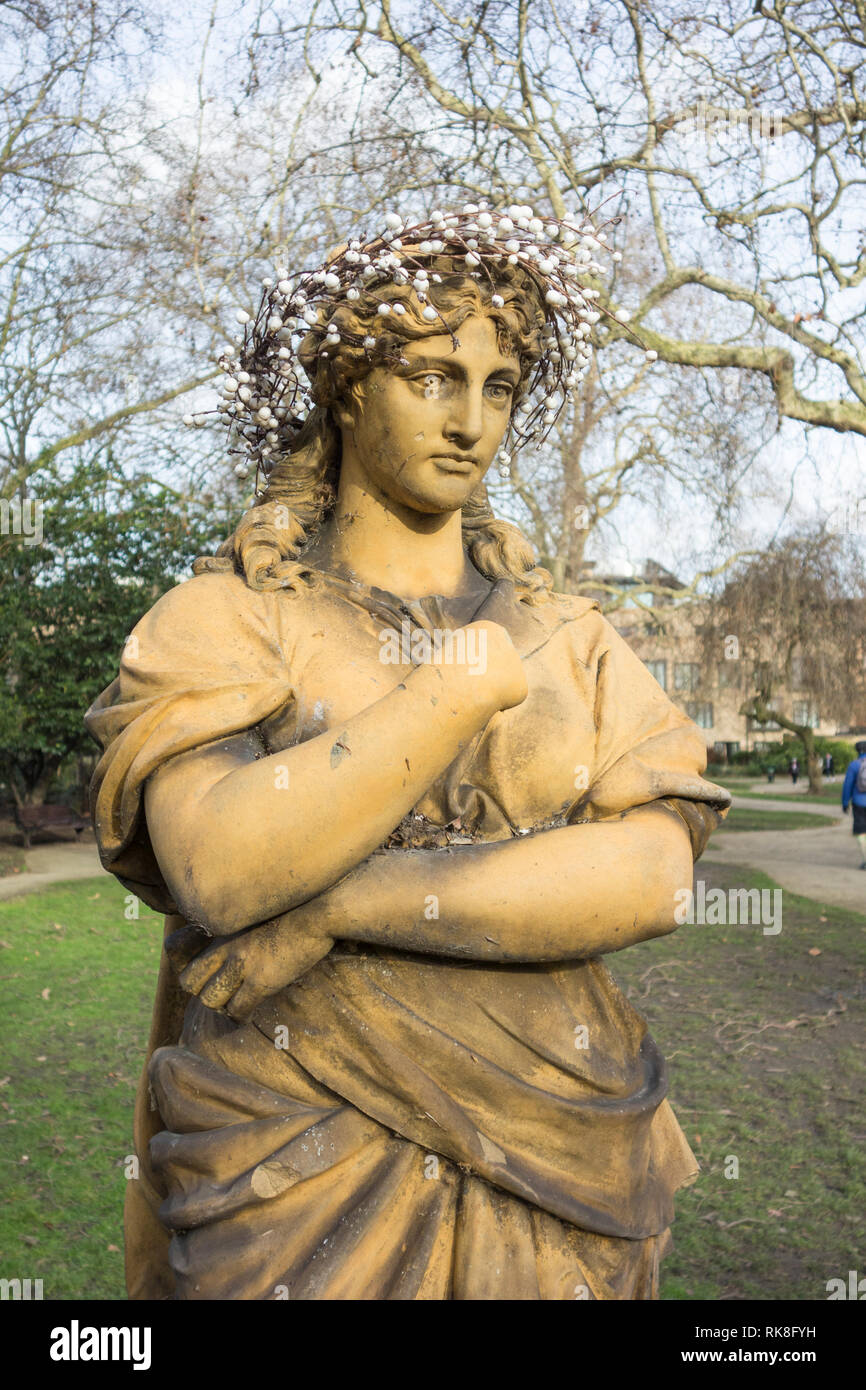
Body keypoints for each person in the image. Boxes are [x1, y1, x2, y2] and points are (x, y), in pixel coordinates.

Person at [86, 203, 730, 1301]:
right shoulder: (227, 619)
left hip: (562, 1144)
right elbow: (221, 865)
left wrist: (337, 902)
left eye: (497, 388)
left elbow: (653, 875)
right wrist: (452, 689)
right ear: (346, 387)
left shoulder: (570, 635)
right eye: (430, 376)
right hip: (291, 1171)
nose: (469, 419)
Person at [842, 741, 866, 869]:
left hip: (859, 802)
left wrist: (845, 803)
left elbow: (847, 786)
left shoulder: (854, 765)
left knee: (861, 831)